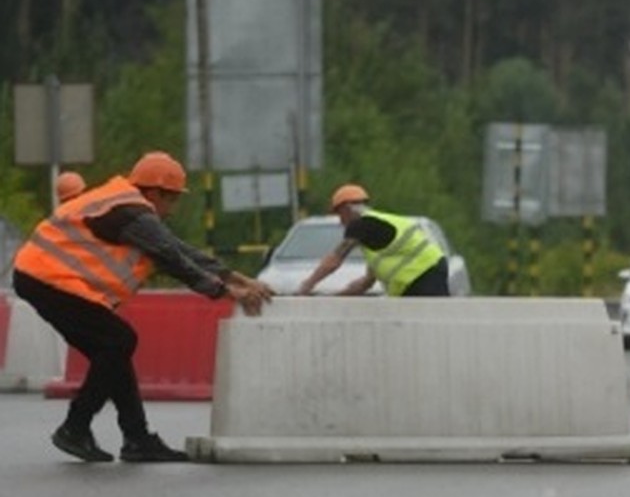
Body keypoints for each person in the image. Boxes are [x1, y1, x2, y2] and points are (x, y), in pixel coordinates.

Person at [13, 151, 274, 463]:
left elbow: (177, 247)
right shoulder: (132, 211)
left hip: (41, 278)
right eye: (172, 198)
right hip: (47, 277)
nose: (172, 208)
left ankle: (136, 438)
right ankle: (76, 426)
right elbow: (170, 256)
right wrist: (226, 291)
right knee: (119, 341)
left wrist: (238, 278)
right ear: (153, 192)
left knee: (113, 351)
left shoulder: (125, 203)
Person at [296, 184, 450, 297]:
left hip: (424, 274)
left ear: (346, 209)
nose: (340, 222)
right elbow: (366, 283)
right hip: (427, 272)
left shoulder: (361, 224)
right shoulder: (375, 233)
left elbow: (334, 260)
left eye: (339, 215)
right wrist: (335, 298)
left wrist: (307, 285)